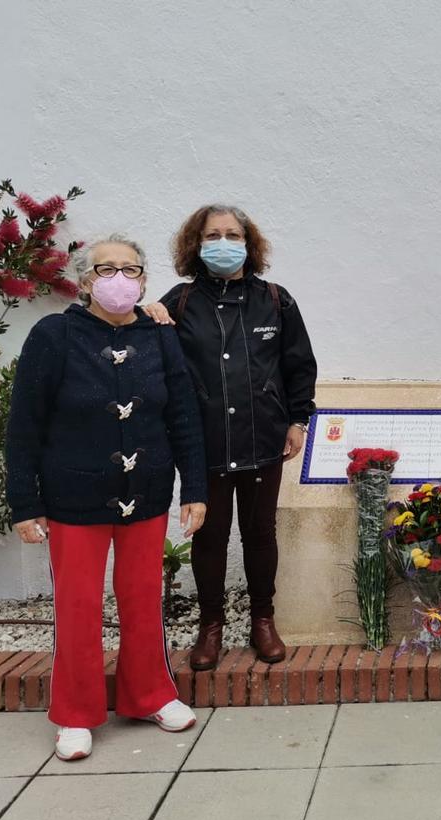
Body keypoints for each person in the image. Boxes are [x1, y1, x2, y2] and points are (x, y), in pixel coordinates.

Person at [6, 235, 207, 761]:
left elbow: (182, 415)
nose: (119, 278)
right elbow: (24, 425)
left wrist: (196, 489)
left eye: (130, 268)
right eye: (106, 268)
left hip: (146, 492)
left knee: (144, 600)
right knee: (78, 606)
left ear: (143, 278)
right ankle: (75, 714)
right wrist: (24, 502)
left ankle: (150, 695)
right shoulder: (54, 335)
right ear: (85, 279)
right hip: (73, 496)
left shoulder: (161, 335)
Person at [142, 205, 317, 670]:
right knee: (210, 536)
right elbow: (150, 361)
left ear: (249, 242)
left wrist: (297, 421)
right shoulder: (178, 302)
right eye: (213, 234)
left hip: (264, 440)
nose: (224, 242)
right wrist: (145, 315)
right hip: (205, 444)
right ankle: (211, 626)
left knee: (260, 535)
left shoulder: (277, 300)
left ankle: (263, 620)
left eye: (233, 234)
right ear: (196, 245)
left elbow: (299, 366)